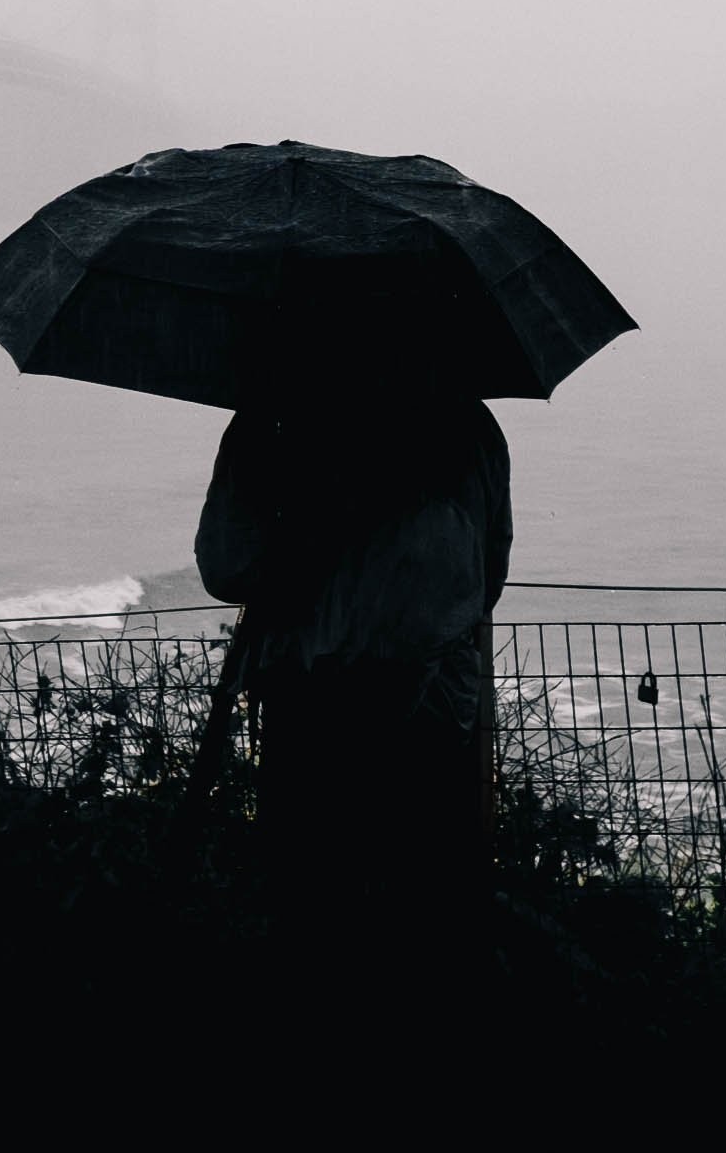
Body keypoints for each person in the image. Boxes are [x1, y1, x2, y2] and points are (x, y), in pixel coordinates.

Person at [193, 384, 511, 897]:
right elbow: (487, 579)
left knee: (312, 895)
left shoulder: (275, 417)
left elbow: (226, 567)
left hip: (310, 702)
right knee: (429, 898)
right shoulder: (471, 425)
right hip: (439, 708)